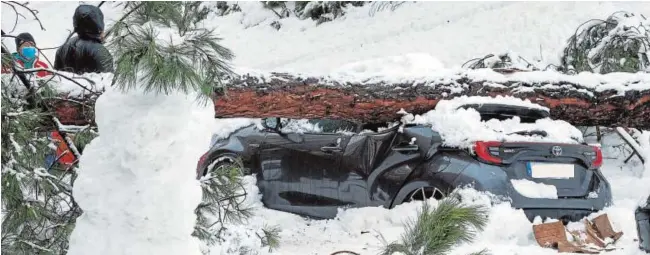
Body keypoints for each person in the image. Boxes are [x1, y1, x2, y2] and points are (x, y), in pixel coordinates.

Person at [54, 4, 113, 74]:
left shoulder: (63, 47)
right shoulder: (99, 51)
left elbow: (56, 78)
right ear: (99, 24)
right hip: (91, 85)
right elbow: (110, 80)